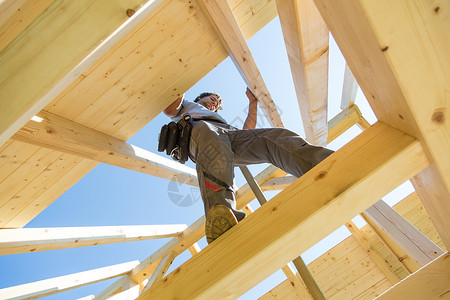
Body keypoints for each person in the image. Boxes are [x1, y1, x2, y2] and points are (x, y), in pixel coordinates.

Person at [164, 88, 333, 244]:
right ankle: (222, 215)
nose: (215, 102)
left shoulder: (218, 119)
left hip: (227, 135)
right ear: (200, 98)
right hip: (199, 132)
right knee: (214, 144)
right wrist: (180, 85)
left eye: (217, 103)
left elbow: (247, 131)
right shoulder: (188, 106)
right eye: (212, 98)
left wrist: (253, 104)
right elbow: (170, 109)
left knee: (275, 137)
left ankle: (320, 163)